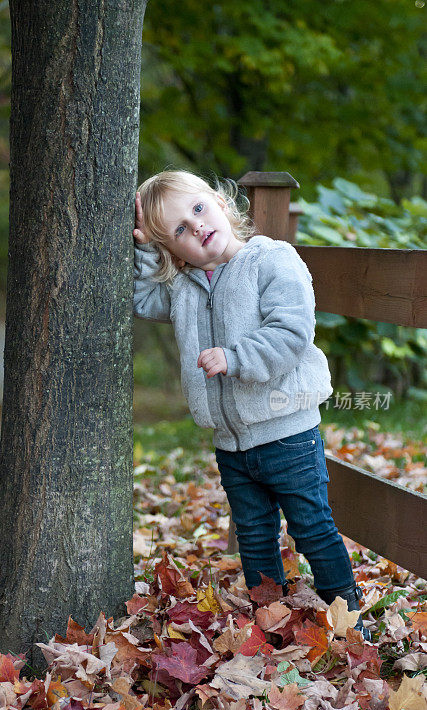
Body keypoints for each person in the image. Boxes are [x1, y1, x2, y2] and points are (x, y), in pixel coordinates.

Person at [133, 169, 371, 641]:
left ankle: (348, 624)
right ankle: (272, 620)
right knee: (255, 537)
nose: (196, 227)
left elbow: (292, 332)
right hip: (232, 444)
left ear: (221, 203)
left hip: (287, 432)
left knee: (313, 530)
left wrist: (236, 357)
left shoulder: (272, 260)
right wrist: (141, 247)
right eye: (179, 230)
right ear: (172, 249)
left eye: (198, 209)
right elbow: (140, 299)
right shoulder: (183, 288)